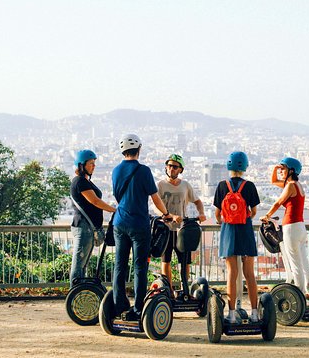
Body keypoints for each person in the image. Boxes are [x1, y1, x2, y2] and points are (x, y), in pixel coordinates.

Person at [111, 134, 180, 321]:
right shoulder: (143, 171)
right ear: (139, 150)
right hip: (139, 224)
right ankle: (138, 308)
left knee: (120, 265)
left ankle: (119, 304)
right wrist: (166, 214)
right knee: (140, 266)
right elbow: (155, 198)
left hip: (119, 222)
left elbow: (118, 197)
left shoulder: (116, 171)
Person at [213, 151, 260, 323]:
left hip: (229, 232)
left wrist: (223, 221)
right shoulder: (249, 186)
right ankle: (255, 314)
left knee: (232, 273)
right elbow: (254, 211)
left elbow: (217, 214)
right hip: (245, 230)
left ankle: (231, 314)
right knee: (249, 274)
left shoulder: (221, 185)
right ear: (245, 166)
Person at [260, 157, 309, 297]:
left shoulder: (290, 186)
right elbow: (273, 181)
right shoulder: (297, 185)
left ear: (291, 170)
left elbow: (278, 203)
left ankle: (299, 294)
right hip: (300, 227)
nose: (281, 171)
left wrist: (267, 215)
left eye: (283, 169)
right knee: (303, 262)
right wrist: (275, 169)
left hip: (291, 228)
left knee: (295, 264)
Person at [157, 153, 207, 291]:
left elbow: (197, 201)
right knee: (165, 261)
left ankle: (185, 288)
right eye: (169, 165)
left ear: (180, 170)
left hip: (182, 228)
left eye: (174, 166)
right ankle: (169, 290)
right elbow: (155, 206)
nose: (171, 169)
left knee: (185, 261)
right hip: (166, 228)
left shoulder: (185, 185)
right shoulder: (160, 185)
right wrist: (170, 216)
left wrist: (201, 213)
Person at [70, 149, 117, 285]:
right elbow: (95, 201)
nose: (94, 166)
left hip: (87, 228)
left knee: (83, 264)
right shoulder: (80, 182)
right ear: (81, 165)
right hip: (84, 227)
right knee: (79, 264)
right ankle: (74, 292)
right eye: (91, 163)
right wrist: (115, 210)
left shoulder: (85, 181)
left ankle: (80, 292)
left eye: (94, 163)